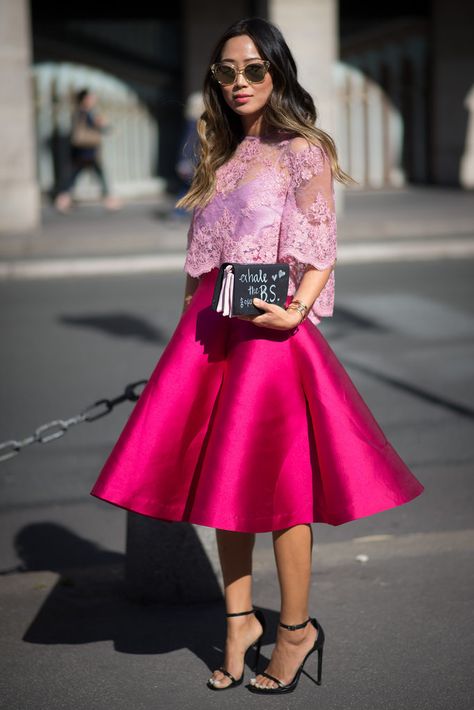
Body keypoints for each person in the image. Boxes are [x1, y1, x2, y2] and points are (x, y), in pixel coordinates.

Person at [89, 17, 425, 695]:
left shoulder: (302, 150)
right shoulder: (223, 149)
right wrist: (183, 334)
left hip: (267, 338)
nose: (237, 83)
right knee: (223, 485)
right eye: (225, 71)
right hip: (209, 333)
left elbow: (319, 247)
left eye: (252, 70)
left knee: (279, 491)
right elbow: (199, 260)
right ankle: (240, 619)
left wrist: (298, 309)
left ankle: (296, 629)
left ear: (277, 73)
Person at [54, 88, 121, 213]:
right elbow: (98, 126)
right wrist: (107, 127)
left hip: (81, 152)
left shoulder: (78, 112)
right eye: (91, 98)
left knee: (75, 176)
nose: (93, 100)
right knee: (99, 175)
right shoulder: (87, 113)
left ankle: (63, 200)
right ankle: (110, 200)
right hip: (87, 151)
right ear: (84, 99)